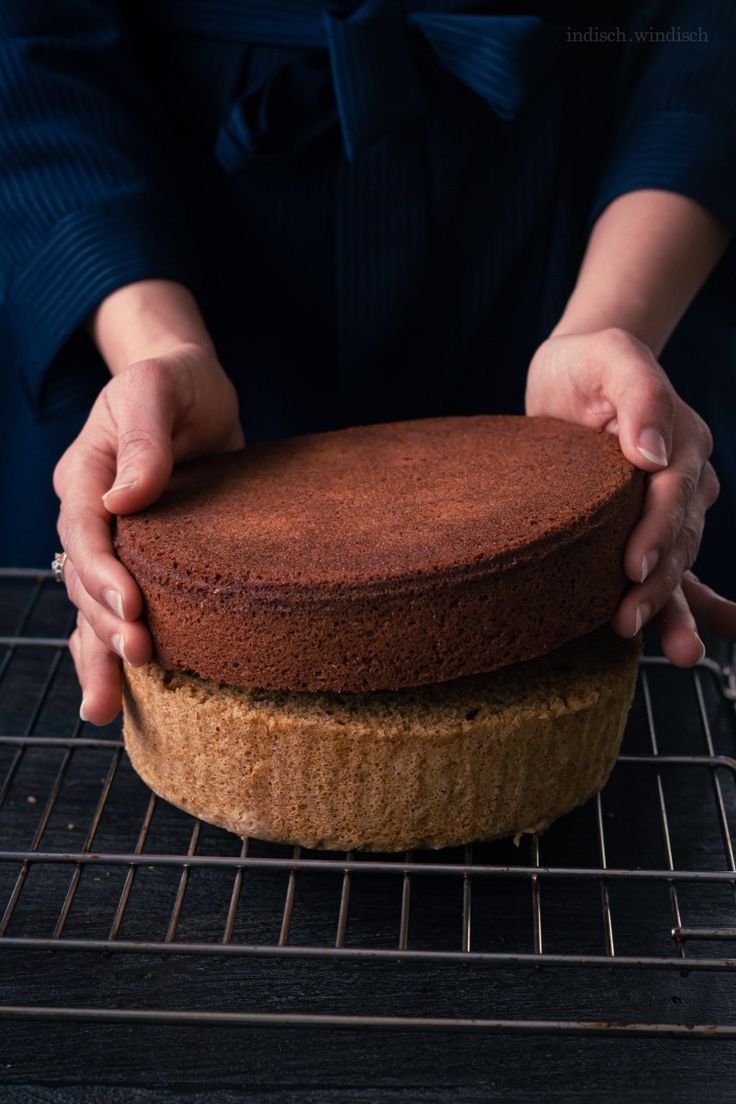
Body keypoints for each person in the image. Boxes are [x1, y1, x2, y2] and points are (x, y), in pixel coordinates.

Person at [1, 1, 735, 725]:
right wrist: (157, 348)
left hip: (580, 218)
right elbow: (30, 36)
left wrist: (610, 320)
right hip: (172, 224)